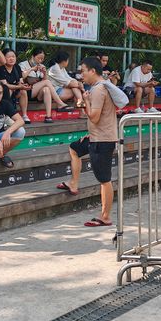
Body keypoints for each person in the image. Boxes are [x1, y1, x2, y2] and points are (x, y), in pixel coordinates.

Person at [59, 57, 119, 227]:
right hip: (95, 136)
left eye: (83, 71)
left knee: (104, 179)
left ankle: (105, 216)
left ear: (92, 71)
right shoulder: (99, 87)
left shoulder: (99, 90)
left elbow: (94, 116)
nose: (81, 74)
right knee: (74, 149)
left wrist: (85, 100)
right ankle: (73, 183)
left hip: (103, 140)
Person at [19, 47, 74, 123]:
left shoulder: (41, 66)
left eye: (42, 59)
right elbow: (22, 76)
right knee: (47, 82)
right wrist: (32, 69)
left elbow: (44, 81)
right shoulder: (23, 64)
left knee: (47, 89)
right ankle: (60, 103)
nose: (40, 60)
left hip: (37, 94)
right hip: (26, 91)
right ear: (32, 56)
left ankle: (48, 116)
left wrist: (44, 73)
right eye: (39, 58)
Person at [0, 48, 31, 122]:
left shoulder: (17, 67)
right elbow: (5, 85)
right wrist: (19, 86)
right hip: (1, 92)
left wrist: (24, 86)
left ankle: (24, 115)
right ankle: (8, 115)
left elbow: (20, 81)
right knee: (8, 89)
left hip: (15, 90)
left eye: (13, 56)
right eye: (9, 57)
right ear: (3, 58)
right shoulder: (0, 68)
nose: (11, 59)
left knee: (23, 91)